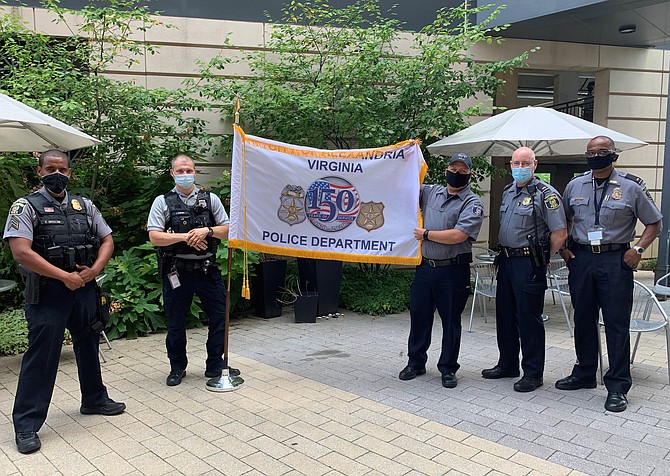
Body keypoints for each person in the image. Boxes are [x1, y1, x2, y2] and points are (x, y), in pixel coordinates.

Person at [3, 149, 125, 455]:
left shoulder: (84, 205)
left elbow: (107, 239)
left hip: (84, 287)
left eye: (62, 169)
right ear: (40, 171)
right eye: (50, 168)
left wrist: (95, 270)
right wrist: (63, 276)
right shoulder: (25, 206)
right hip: (48, 292)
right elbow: (21, 251)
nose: (56, 173)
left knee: (88, 343)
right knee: (42, 355)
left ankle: (95, 399)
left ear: (70, 173)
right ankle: (27, 424)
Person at [557, 135, 662, 412]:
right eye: (591, 152)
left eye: (602, 151)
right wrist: (565, 249)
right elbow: (565, 219)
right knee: (583, 318)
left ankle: (617, 385)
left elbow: (654, 223)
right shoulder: (575, 185)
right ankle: (584, 373)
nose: (596, 155)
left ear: (613, 155)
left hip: (616, 260)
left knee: (616, 323)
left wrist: (637, 251)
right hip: (581, 259)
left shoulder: (631, 186)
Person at [147, 154, 240, 386]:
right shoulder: (163, 202)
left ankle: (215, 365)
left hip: (208, 270)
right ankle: (177, 367)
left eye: (189, 170)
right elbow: (155, 237)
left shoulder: (211, 200)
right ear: (172, 173)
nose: (185, 175)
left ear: (195, 172)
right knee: (176, 322)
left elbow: (228, 229)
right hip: (177, 271)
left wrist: (207, 231)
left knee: (219, 318)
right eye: (180, 171)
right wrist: (188, 237)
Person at [481, 147, 567, 392]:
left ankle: (533, 372)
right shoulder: (509, 191)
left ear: (535, 164)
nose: (519, 167)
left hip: (529, 263)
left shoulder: (545, 195)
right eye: (515, 163)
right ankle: (507, 364)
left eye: (524, 163)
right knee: (505, 315)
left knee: (529, 318)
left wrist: (542, 257)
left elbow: (560, 233)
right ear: (510, 164)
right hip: (506, 260)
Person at [399, 153, 484, 388]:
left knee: (451, 321)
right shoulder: (430, 192)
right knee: (419, 317)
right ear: (446, 169)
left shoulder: (473, 203)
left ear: (470, 174)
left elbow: (459, 235)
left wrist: (426, 234)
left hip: (452, 272)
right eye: (453, 168)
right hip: (425, 268)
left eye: (462, 170)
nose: (456, 174)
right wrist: (405, 157)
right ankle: (415, 363)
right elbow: (403, 185)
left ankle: (448, 368)